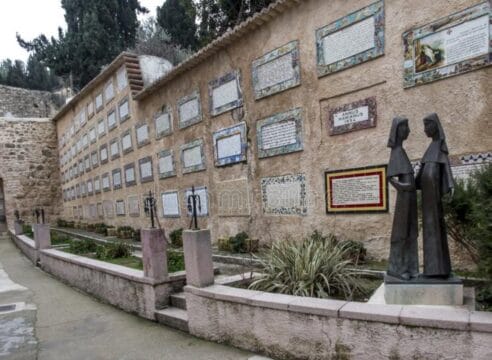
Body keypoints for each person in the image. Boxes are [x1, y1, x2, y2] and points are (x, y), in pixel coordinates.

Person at [416, 113, 454, 278]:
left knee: (436, 230)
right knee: (429, 230)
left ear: (435, 126)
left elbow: (446, 168)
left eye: (427, 125)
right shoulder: (430, 147)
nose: (425, 130)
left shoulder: (439, 146)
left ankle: (439, 269)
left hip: (434, 196)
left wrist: (451, 185)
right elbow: (422, 171)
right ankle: (431, 269)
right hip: (427, 197)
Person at [386, 117, 419, 280]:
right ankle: (398, 269)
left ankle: (411, 267)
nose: (409, 130)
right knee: (401, 232)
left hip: (410, 199)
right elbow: (390, 177)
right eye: (406, 127)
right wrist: (404, 187)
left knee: (411, 231)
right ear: (398, 130)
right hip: (404, 200)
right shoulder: (397, 152)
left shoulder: (402, 151)